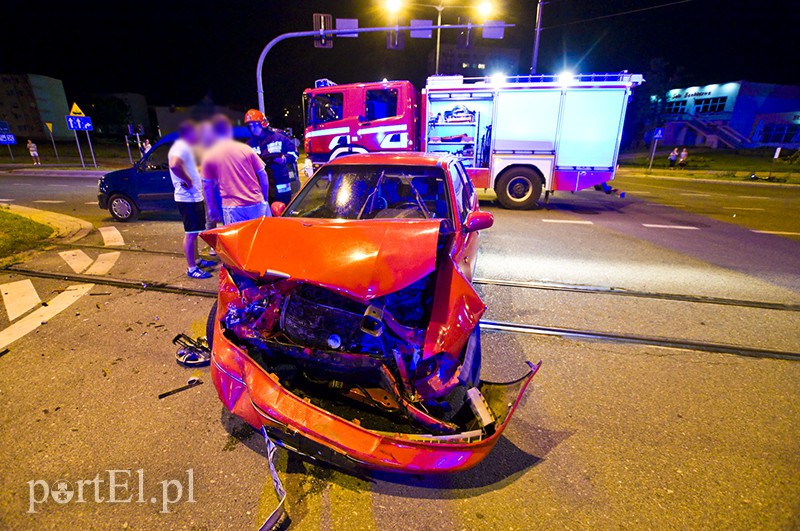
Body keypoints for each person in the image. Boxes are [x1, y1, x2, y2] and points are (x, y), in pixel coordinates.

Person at [201, 114, 272, 225]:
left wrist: (211, 208)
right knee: (263, 239)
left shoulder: (209, 156)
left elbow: (207, 185)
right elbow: (263, 175)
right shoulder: (246, 149)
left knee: (237, 242)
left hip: (233, 208)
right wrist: (264, 199)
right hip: (257, 204)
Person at [168, 121, 214, 279]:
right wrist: (188, 180)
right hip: (187, 198)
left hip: (194, 197)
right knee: (190, 233)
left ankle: (197, 260)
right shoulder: (181, 146)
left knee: (194, 232)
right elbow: (174, 165)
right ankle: (192, 267)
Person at [243, 109, 299, 203]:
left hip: (281, 187)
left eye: (255, 125)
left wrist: (284, 159)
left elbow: (294, 153)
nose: (253, 129)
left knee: (283, 213)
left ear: (263, 124)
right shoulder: (249, 145)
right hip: (262, 189)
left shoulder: (279, 138)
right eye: (250, 126)